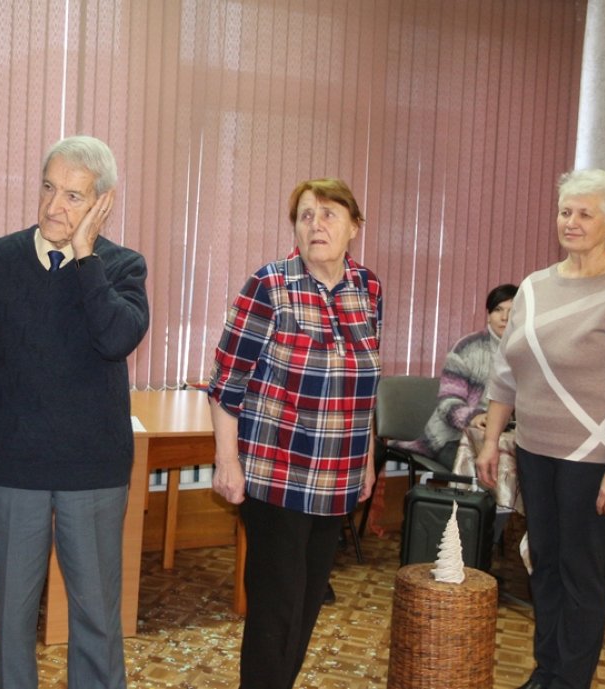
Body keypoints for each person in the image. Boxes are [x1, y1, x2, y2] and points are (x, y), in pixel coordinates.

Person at [0, 135, 149, 689]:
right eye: (48, 188)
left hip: (93, 468)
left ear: (103, 203)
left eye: (73, 196)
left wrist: (85, 257)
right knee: (10, 621)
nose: (54, 205)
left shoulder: (123, 267)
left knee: (96, 619)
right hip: (15, 467)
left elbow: (115, 339)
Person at [476, 169, 605, 689]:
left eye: (585, 213)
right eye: (565, 211)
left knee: (582, 574)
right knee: (545, 565)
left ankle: (569, 680)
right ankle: (547, 672)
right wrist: (491, 441)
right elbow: (506, 372)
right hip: (536, 452)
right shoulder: (534, 288)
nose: (571, 221)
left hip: (597, 460)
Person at [208, 177, 381, 689]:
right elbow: (226, 382)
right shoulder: (270, 285)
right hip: (277, 475)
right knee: (276, 609)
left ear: (354, 226)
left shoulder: (368, 289)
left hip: (336, 477)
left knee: (306, 604)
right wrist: (227, 462)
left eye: (329, 214)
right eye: (306, 215)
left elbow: (365, 386)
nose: (316, 225)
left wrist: (367, 462)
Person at [394, 282, 518, 469]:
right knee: (491, 470)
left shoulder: (527, 353)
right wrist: (475, 418)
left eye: (512, 311)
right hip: (452, 439)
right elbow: (447, 402)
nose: (505, 317)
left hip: (506, 441)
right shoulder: (467, 348)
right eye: (498, 310)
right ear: (488, 316)